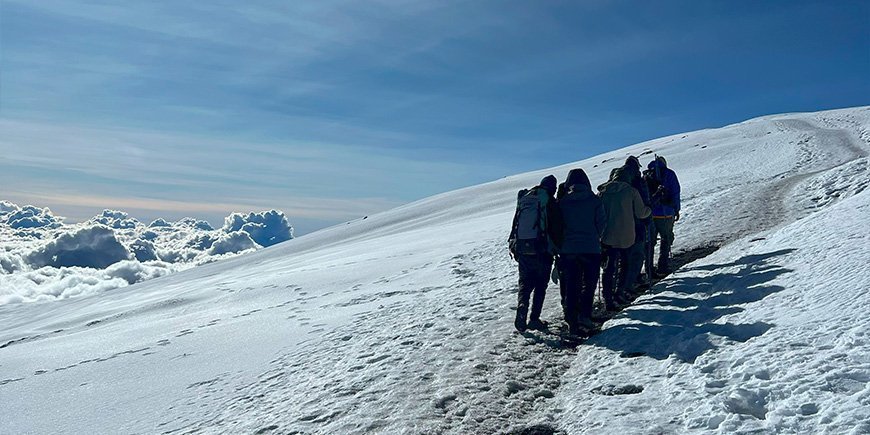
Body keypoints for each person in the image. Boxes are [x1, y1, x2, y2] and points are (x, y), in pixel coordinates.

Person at [508, 175, 562, 332]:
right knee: (540, 285)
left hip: (523, 249)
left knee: (524, 283)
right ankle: (534, 319)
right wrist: (557, 248)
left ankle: (522, 307)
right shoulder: (549, 201)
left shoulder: (526, 198)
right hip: (542, 250)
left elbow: (515, 223)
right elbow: (556, 226)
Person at [556, 168, 606, 335]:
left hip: (568, 250)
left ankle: (571, 320)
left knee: (572, 285)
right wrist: (594, 237)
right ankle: (585, 315)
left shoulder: (563, 202)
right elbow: (601, 225)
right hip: (591, 249)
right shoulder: (594, 200)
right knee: (589, 285)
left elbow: (559, 227)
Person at [597, 168, 651, 310]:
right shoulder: (631, 191)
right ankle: (619, 293)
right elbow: (641, 213)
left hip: (607, 237)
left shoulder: (603, 192)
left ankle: (607, 298)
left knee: (609, 269)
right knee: (625, 265)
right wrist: (650, 208)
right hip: (627, 236)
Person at [644, 156, 681, 276]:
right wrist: (676, 209)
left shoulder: (646, 175)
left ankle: (649, 269)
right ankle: (662, 265)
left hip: (650, 213)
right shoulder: (669, 174)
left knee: (650, 242)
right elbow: (675, 192)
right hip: (666, 212)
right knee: (666, 238)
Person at [621, 156, 652, 290]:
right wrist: (648, 216)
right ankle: (630, 284)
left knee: (623, 257)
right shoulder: (638, 182)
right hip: (637, 223)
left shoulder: (616, 181)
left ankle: (619, 287)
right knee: (637, 254)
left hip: (618, 225)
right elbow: (644, 203)